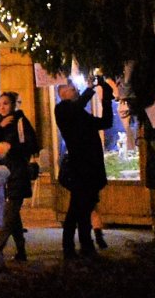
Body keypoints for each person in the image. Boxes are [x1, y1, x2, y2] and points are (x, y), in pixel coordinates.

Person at [54, 77, 114, 260]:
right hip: (80, 168)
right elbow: (76, 107)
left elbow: (105, 123)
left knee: (84, 208)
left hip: (91, 166)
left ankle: (85, 246)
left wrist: (106, 99)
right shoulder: (63, 109)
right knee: (76, 210)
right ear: (63, 93)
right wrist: (90, 89)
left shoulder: (79, 113)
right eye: (73, 89)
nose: (77, 91)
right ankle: (71, 247)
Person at [0, 91, 40, 261]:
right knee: (13, 215)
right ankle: (21, 250)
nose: (2, 107)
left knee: (8, 214)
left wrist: (10, 147)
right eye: (0, 104)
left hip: (18, 172)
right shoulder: (0, 123)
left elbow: (31, 145)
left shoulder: (20, 121)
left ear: (13, 105)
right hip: (3, 174)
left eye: (6, 103)